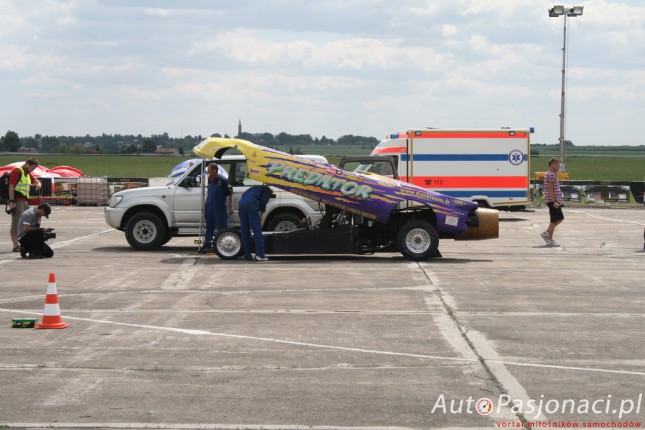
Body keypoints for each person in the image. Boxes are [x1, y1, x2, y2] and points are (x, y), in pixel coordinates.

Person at [7, 158, 42, 252]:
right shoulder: (17, 171)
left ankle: (28, 241)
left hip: (25, 201)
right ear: (27, 164)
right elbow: (11, 186)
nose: (32, 170)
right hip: (17, 200)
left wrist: (38, 184)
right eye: (32, 168)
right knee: (16, 222)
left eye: (34, 169)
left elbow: (36, 181)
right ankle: (15, 246)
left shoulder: (27, 174)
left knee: (30, 217)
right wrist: (11, 201)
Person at [200, 163, 233, 253]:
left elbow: (230, 193)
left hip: (219, 210)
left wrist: (230, 207)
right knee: (209, 228)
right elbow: (209, 194)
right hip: (210, 209)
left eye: (209, 170)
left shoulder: (223, 180)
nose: (208, 172)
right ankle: (207, 245)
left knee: (222, 229)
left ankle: (224, 247)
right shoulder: (210, 180)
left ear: (215, 170)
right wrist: (205, 205)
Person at [238, 185, 272, 261]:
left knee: (245, 231)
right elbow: (263, 204)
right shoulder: (266, 191)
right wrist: (260, 220)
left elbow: (243, 196)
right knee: (257, 231)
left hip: (241, 204)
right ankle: (260, 255)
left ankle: (247, 255)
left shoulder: (253, 188)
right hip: (251, 205)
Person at [541, 157, 564, 247]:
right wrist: (554, 202)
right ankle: (549, 240)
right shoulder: (551, 175)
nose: (558, 165)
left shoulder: (552, 174)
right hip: (553, 201)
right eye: (557, 163)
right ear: (552, 164)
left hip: (555, 201)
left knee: (560, 218)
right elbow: (550, 189)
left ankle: (546, 233)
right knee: (553, 221)